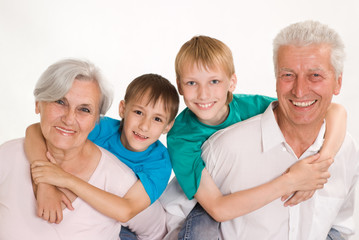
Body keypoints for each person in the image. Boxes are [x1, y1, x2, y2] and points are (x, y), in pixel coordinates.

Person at [160, 34, 348, 239]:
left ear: (232, 82)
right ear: (179, 85)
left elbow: (335, 111)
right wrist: (292, 181)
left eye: (214, 81)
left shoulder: (251, 107)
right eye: (191, 83)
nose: (203, 94)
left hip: (240, 191)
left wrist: (320, 166)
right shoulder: (181, 137)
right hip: (203, 204)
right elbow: (217, 208)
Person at [0, 59, 167, 240]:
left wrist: (65, 180)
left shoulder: (122, 180)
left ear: (96, 120)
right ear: (38, 104)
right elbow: (34, 130)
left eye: (84, 109)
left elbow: (157, 232)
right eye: (59, 101)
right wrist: (45, 183)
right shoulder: (8, 156)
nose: (69, 119)